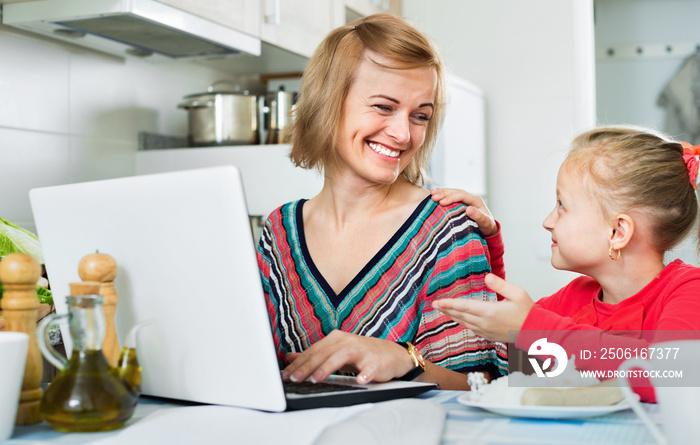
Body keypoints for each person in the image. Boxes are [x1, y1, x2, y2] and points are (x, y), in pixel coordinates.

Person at [256, 13, 507, 391]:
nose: (403, 133)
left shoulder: (447, 227)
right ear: (328, 103)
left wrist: (405, 361)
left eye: (420, 115)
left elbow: (483, 384)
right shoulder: (279, 230)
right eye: (384, 107)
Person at [432, 125, 700, 402]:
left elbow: (672, 373)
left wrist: (533, 329)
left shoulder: (689, 290)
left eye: (562, 204)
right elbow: (511, 356)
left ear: (617, 232)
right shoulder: (572, 299)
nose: (548, 221)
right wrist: (485, 243)